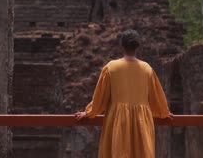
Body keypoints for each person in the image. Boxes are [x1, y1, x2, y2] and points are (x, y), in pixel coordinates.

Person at [74, 29, 173, 158]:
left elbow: (100, 98)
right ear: (138, 46)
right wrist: (164, 112)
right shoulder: (147, 69)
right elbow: (156, 97)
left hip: (116, 121)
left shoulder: (111, 68)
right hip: (141, 122)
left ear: (122, 45)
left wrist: (89, 112)